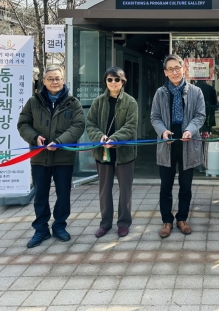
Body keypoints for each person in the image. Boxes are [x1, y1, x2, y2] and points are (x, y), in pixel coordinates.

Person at [17, 65, 85, 248]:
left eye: (58, 78)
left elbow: (78, 125)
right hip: (40, 157)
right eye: (51, 79)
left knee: (63, 194)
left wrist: (60, 141)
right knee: (40, 194)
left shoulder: (73, 102)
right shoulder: (33, 102)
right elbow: (23, 124)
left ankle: (60, 226)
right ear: (44, 81)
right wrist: (34, 137)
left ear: (63, 80)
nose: (55, 82)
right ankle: (41, 229)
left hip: (63, 157)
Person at [151, 54, 206, 238]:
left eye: (177, 68)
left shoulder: (195, 92)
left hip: (187, 142)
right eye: (170, 69)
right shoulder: (160, 92)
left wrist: (190, 130)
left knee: (186, 185)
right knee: (165, 185)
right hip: (167, 142)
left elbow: (200, 116)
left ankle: (182, 218)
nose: (174, 72)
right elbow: (155, 117)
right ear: (165, 73)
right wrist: (163, 132)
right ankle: (167, 220)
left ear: (184, 68)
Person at [86, 67, 138, 238]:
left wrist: (114, 139)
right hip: (103, 152)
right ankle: (105, 223)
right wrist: (100, 137)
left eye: (117, 79)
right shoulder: (98, 101)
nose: (113, 83)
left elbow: (131, 126)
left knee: (125, 190)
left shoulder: (130, 102)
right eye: (110, 79)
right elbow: (90, 124)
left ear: (123, 82)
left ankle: (124, 223)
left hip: (124, 153)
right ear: (106, 81)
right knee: (104, 190)